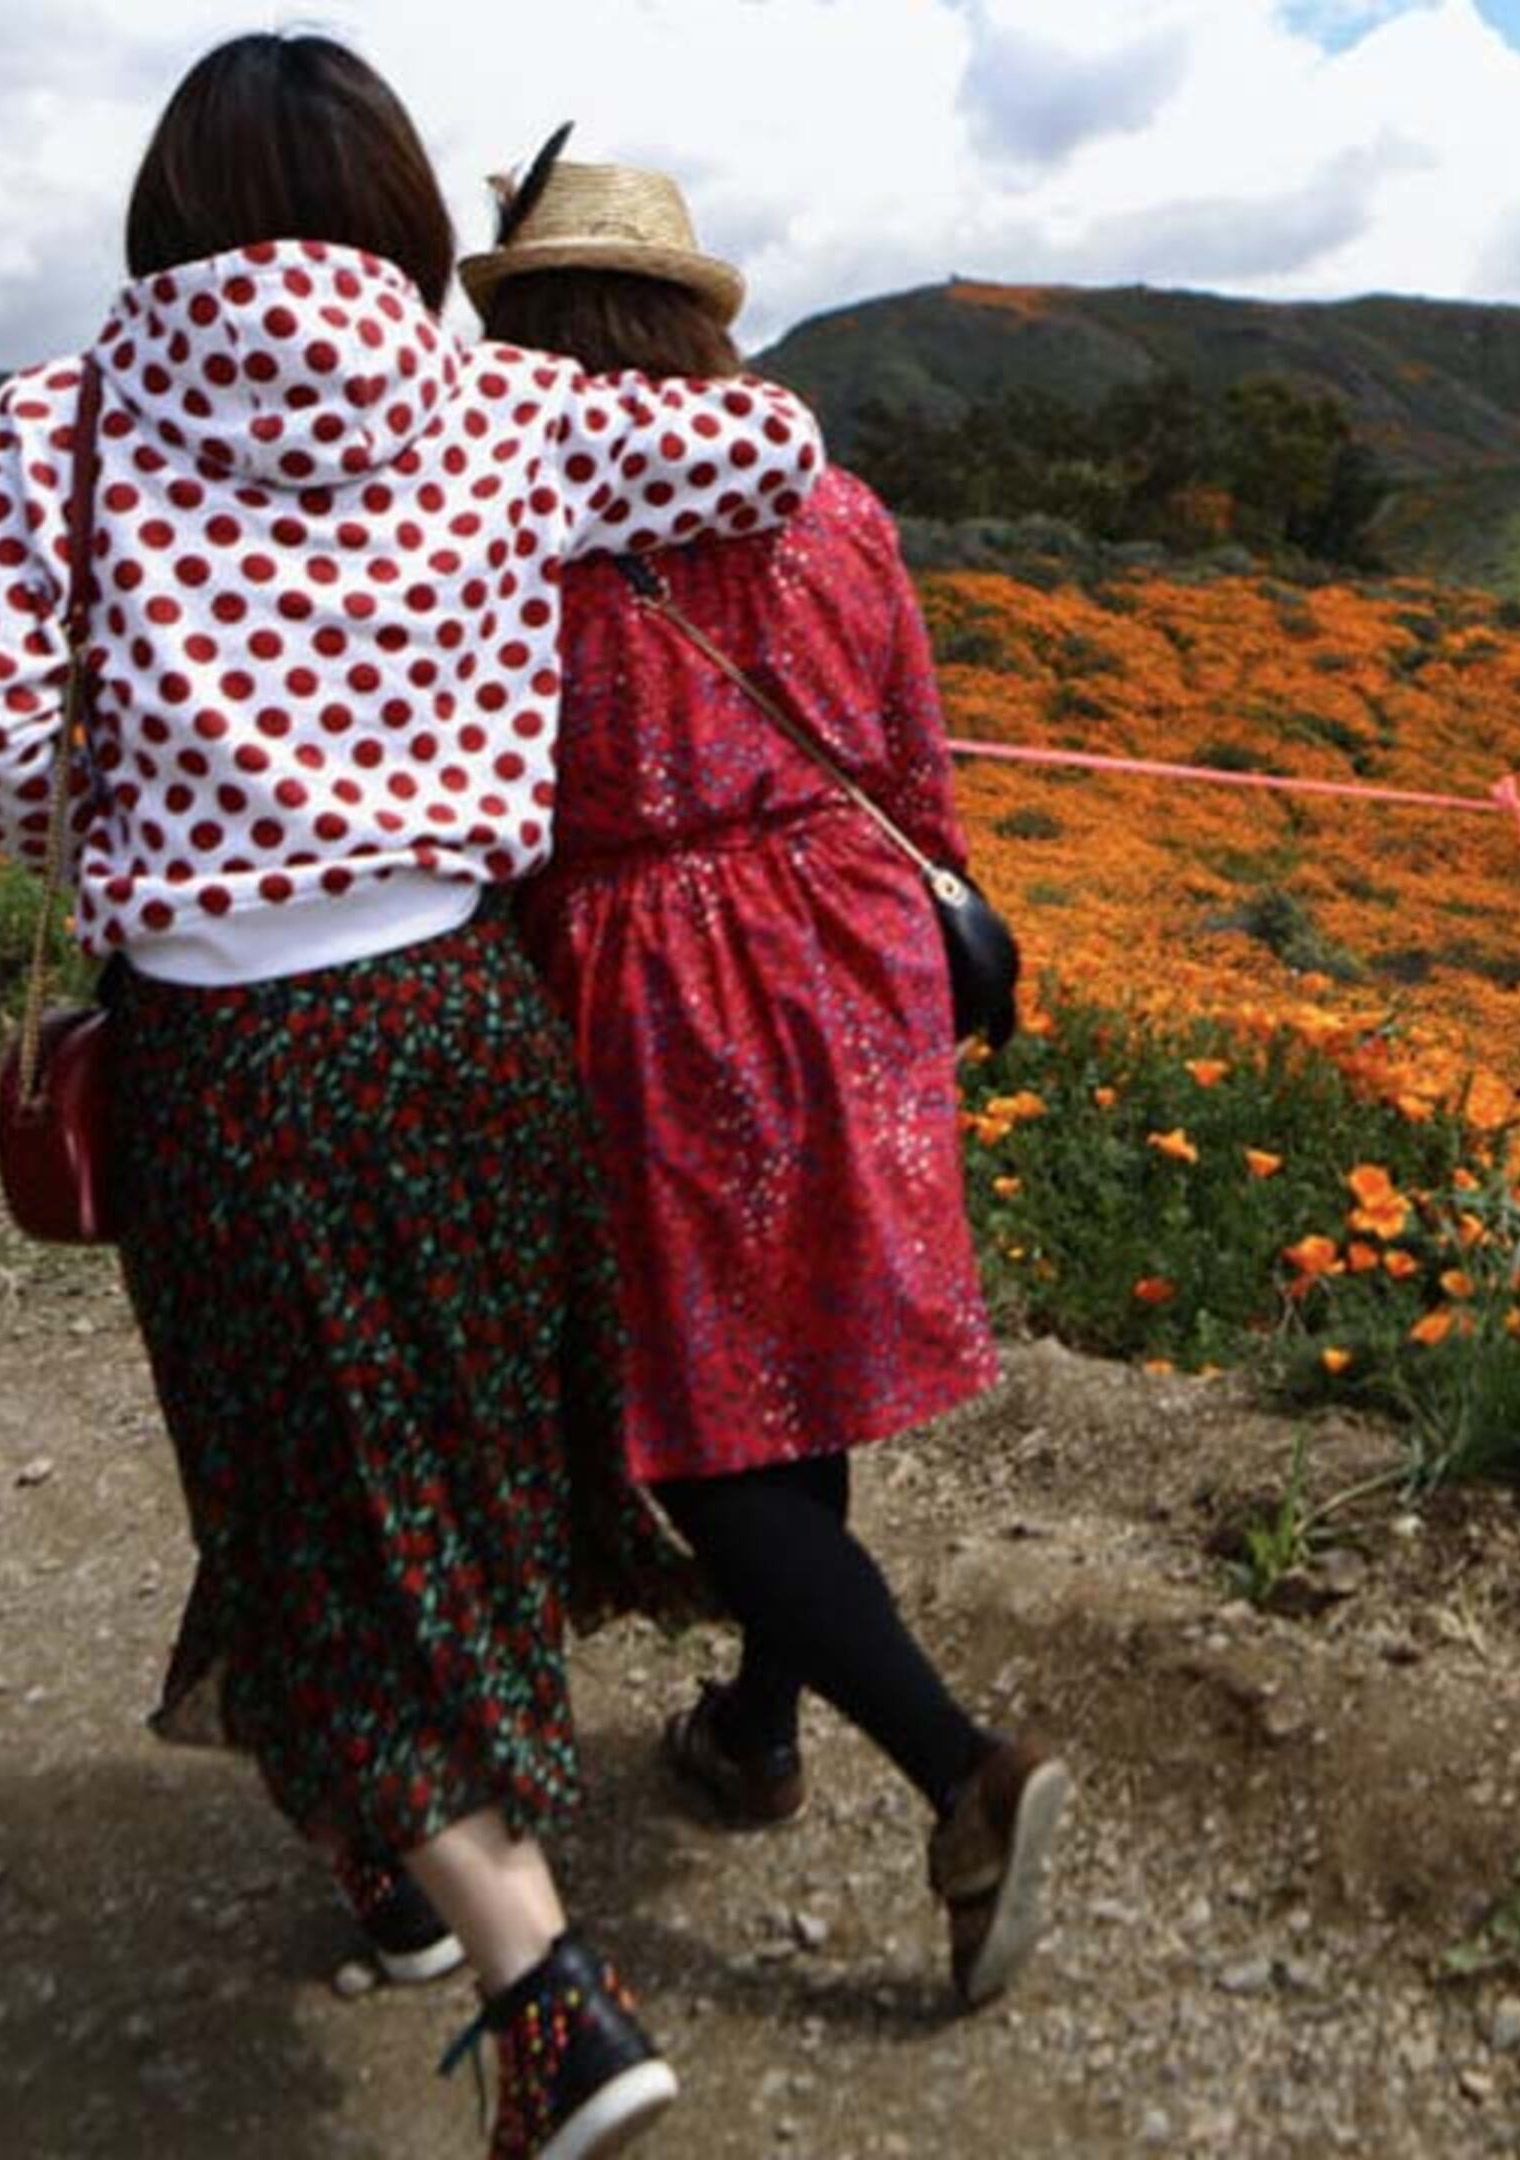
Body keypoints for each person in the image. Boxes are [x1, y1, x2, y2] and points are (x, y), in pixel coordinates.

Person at [0, 34, 826, 2158]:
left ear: (166, 213)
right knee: (449, 1470)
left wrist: (183, 750)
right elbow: (768, 451)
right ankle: (403, 1884)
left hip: (235, 1064)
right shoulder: (505, 404)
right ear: (411, 215)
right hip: (471, 1029)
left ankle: (547, 1996)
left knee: (308, 1501)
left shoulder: (58, 423)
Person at [466, 152, 1070, 2010]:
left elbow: (498, 818)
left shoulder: (521, 528)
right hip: (854, 939)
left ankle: (963, 1770)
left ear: (534, 328)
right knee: (793, 1351)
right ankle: (758, 1727)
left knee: (685, 1415)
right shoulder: (838, 502)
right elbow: (911, 757)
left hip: (659, 978)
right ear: (693, 319)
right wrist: (924, 923)